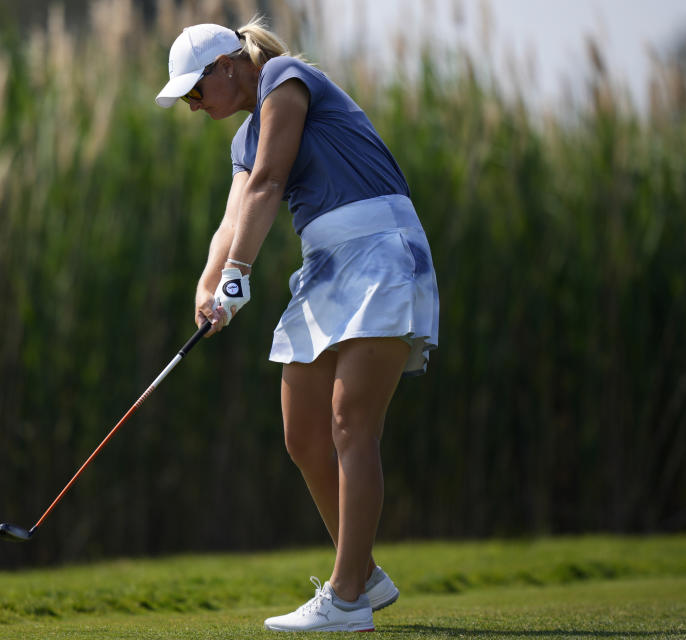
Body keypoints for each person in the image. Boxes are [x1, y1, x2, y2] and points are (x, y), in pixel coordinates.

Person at [155, 18, 439, 633]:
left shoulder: (285, 80)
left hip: (382, 250)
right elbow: (235, 214)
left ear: (227, 66)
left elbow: (271, 182)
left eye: (196, 92)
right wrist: (209, 287)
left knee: (348, 421)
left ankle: (344, 600)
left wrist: (240, 274)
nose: (194, 106)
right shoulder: (244, 138)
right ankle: (362, 573)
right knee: (302, 431)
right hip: (326, 266)